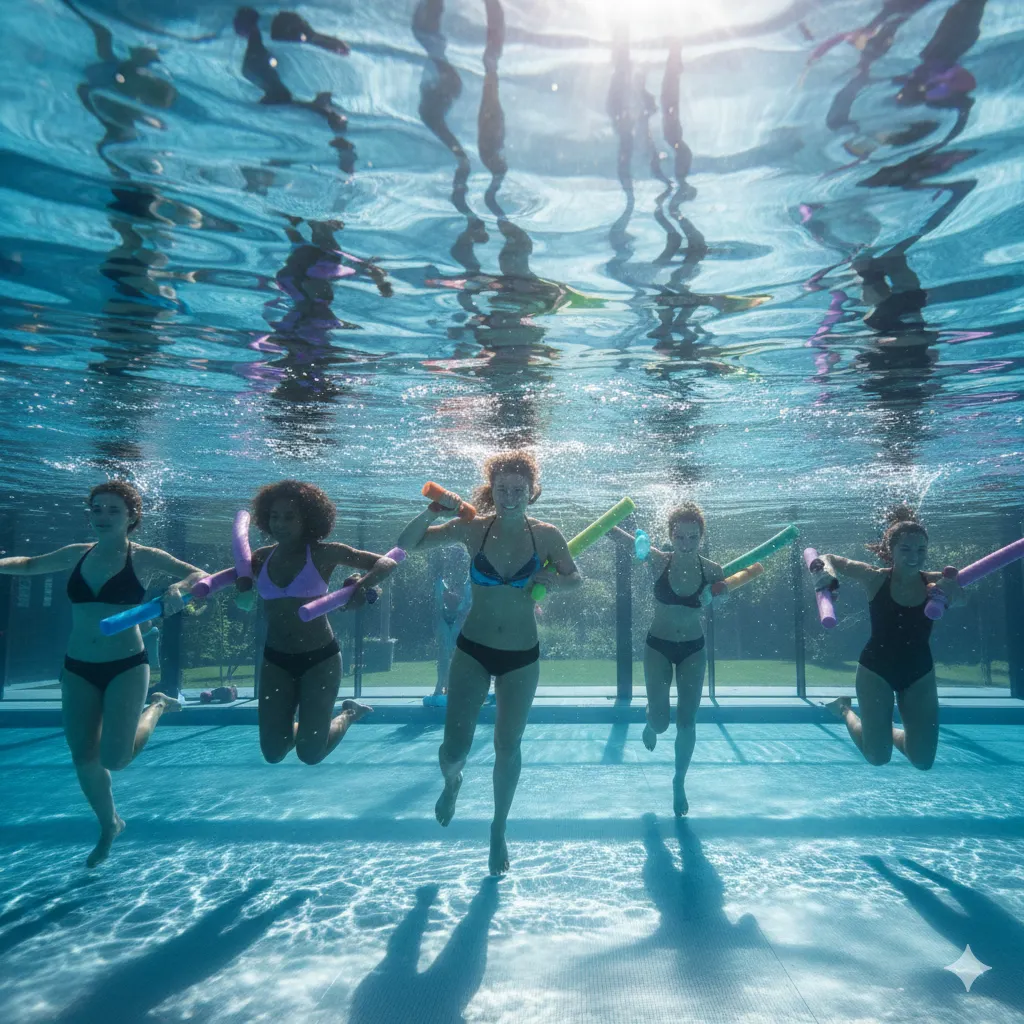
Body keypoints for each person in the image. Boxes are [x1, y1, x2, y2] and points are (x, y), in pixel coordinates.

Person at [0, 480, 204, 867]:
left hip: (126, 666)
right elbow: (28, 565)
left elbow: (198, 573)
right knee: (83, 758)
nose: (103, 517)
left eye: (113, 510)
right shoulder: (77, 554)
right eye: (97, 509)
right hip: (77, 667)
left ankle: (158, 705)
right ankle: (109, 824)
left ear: (132, 517)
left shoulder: (144, 557)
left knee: (117, 758)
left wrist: (178, 587)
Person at [397, 451, 581, 875]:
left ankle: (498, 828)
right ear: (492, 491)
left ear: (532, 492)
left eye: (519, 490)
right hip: (473, 651)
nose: (511, 497)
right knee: (453, 749)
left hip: (521, 657)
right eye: (503, 490)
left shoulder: (547, 535)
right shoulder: (473, 528)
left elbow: (576, 579)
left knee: (507, 745)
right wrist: (430, 511)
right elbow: (407, 545)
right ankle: (452, 782)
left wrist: (554, 581)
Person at [225, 480, 398, 765]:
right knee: (273, 752)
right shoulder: (262, 557)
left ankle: (349, 713)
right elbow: (233, 578)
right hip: (276, 659)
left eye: (290, 517)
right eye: (274, 516)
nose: (280, 523)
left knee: (310, 753)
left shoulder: (324, 552)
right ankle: (308, 730)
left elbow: (385, 564)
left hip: (320, 659)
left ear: (309, 518)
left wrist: (362, 588)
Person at [812, 506, 963, 769]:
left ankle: (882, 729)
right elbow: (828, 557)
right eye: (905, 550)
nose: (914, 557)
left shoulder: (936, 582)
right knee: (877, 757)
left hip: (919, 672)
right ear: (891, 551)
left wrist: (954, 593)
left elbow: (964, 597)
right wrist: (827, 574)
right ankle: (844, 709)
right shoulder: (875, 578)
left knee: (923, 760)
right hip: (876, 670)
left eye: (921, 550)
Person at [608, 503, 726, 816]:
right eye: (680, 537)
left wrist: (716, 593)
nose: (686, 544)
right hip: (658, 646)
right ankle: (651, 723)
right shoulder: (658, 561)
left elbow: (726, 588)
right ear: (671, 536)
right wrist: (615, 529)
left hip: (693, 650)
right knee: (661, 723)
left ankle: (679, 781)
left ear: (701, 536)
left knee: (687, 722)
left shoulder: (711, 569)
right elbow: (615, 534)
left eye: (692, 538)